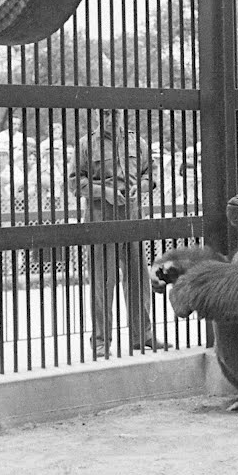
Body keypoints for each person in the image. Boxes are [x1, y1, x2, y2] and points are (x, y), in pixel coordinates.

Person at [73, 109, 165, 357]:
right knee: (103, 281)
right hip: (102, 220)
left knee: (138, 278)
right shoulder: (85, 145)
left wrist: (140, 187)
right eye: (103, 114)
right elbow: (75, 183)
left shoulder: (139, 142)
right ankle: (101, 342)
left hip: (132, 218)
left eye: (114, 113)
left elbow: (150, 176)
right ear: (96, 116)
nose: (109, 118)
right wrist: (104, 191)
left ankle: (142, 336)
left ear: (123, 114)